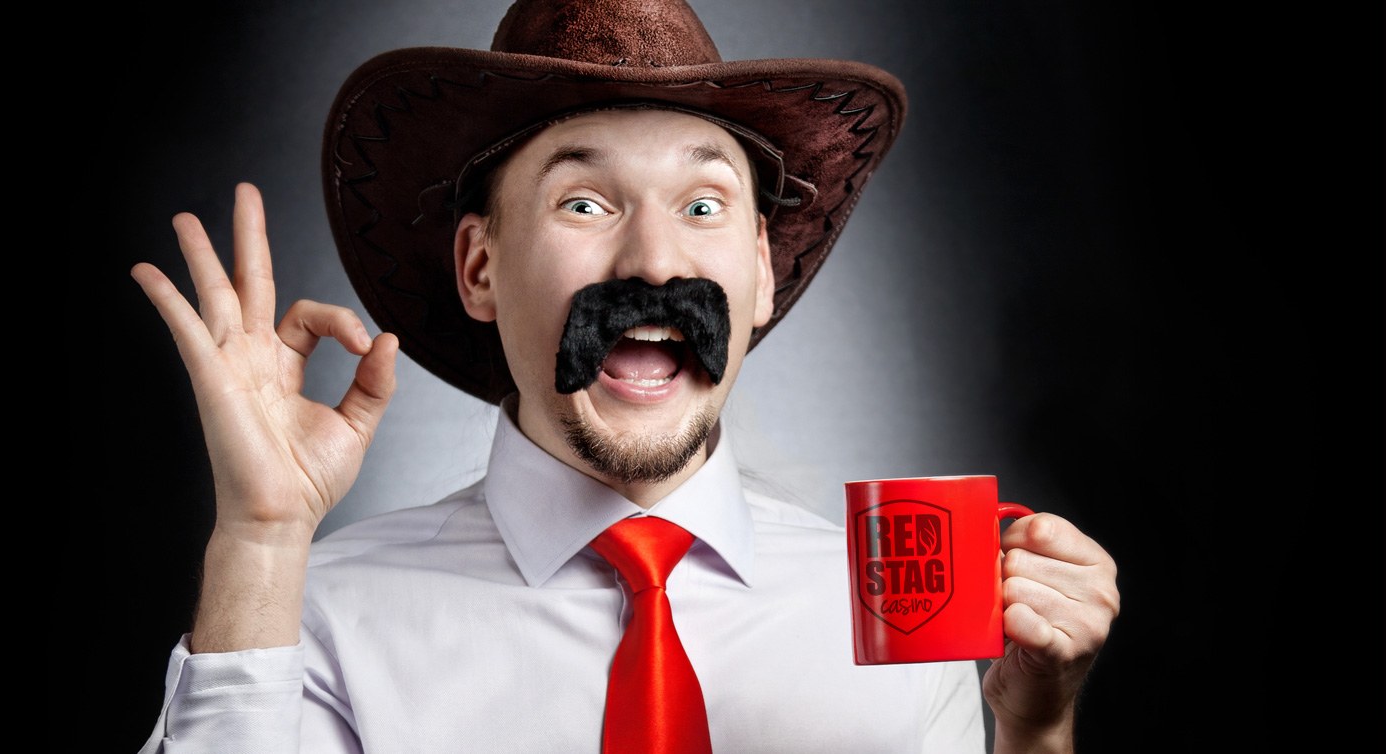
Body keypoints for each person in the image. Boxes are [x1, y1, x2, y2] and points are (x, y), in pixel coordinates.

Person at [132, 0, 1120, 751]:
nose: (654, 262)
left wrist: (1035, 733)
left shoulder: (908, 616)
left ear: (763, 271)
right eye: (585, 203)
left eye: (702, 206)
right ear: (480, 267)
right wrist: (259, 545)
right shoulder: (306, 622)